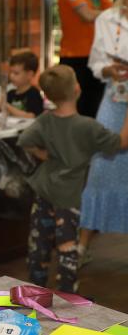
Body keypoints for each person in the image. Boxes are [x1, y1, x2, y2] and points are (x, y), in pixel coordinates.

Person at [17, 65, 128, 293]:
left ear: (49, 96)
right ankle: (67, 294)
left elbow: (25, 140)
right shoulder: (88, 127)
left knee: (39, 245)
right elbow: (121, 143)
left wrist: (44, 155)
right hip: (68, 199)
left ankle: (34, 291)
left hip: (44, 192)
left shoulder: (45, 120)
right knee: (67, 247)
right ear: (77, 89)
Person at [81, 0, 128, 242]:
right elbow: (95, 62)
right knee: (100, 164)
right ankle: (82, 245)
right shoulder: (106, 19)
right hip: (114, 94)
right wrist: (108, 69)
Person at [58, 0, 113, 118]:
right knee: (75, 103)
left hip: (96, 55)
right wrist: (106, 14)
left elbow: (116, 13)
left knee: (96, 103)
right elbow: (87, 15)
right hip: (74, 56)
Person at [0, 51, 44, 118]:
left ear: (29, 75)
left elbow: (31, 116)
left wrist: (7, 106)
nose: (11, 76)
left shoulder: (34, 94)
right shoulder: (10, 94)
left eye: (16, 73)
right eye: (10, 72)